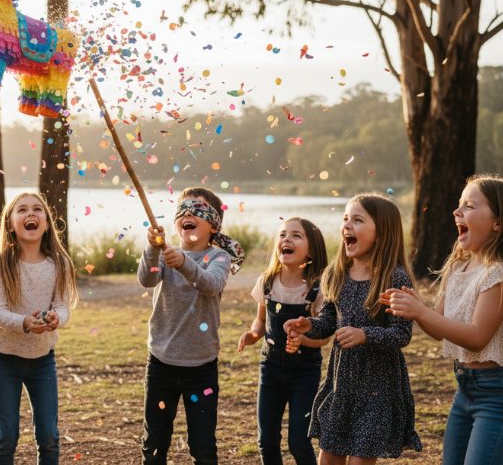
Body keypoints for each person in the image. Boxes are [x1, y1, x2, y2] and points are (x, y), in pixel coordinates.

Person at [382, 175, 503, 465]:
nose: (456, 212)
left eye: (469, 206)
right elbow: (439, 328)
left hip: (501, 395)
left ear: (499, 223)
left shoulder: (500, 274)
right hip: (466, 390)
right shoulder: (459, 266)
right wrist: (415, 307)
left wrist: (420, 312)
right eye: (459, 205)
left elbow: (476, 337)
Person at [284, 193, 422, 464]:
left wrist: (364, 335)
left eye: (357, 220)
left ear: (381, 233)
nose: (346, 225)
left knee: (361, 460)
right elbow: (327, 322)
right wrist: (307, 325)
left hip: (377, 388)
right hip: (342, 384)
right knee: (328, 458)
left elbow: (401, 334)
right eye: (345, 218)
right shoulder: (336, 274)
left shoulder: (394, 277)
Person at [138, 186, 245, 465]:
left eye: (197, 209)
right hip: (161, 362)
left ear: (213, 225)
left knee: (203, 446)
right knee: (155, 444)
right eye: (183, 209)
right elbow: (147, 280)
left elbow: (210, 285)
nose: (188, 213)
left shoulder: (218, 258)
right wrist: (152, 248)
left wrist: (184, 263)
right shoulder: (164, 253)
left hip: (201, 368)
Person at [0, 192, 79, 465]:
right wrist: (25, 322)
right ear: (10, 224)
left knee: (48, 434)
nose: (31, 214)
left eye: (38, 209)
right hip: (5, 358)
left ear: (47, 223)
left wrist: (55, 319)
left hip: (42, 359)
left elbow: (63, 306)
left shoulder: (58, 263)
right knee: (7, 435)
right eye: (22, 210)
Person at [237, 217, 330, 465]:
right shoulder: (267, 282)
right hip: (270, 369)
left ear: (311, 250)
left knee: (298, 442)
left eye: (296, 236)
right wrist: (253, 334)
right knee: (266, 441)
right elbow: (260, 320)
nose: (286, 239)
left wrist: (303, 340)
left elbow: (324, 337)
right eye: (282, 235)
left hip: (305, 372)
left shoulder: (317, 289)